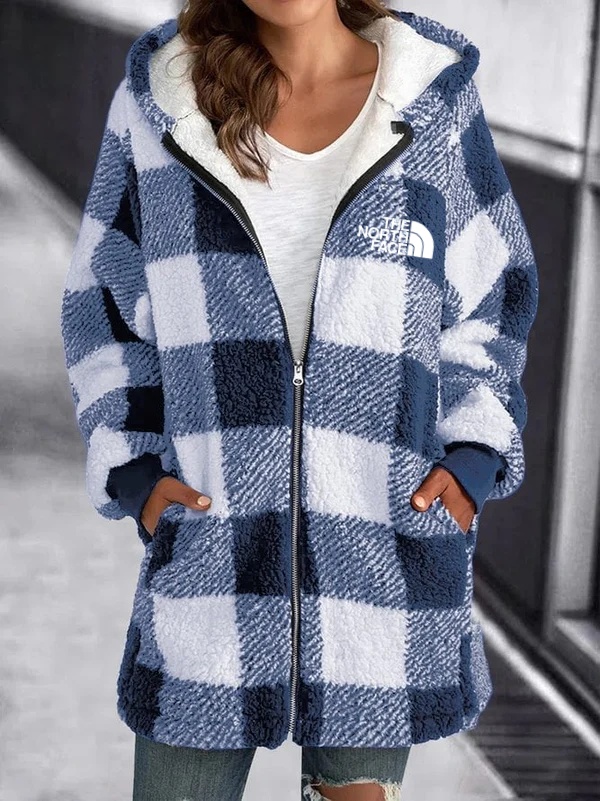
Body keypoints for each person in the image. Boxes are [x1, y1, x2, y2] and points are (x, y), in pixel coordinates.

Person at [59, 0, 539, 799]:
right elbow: (102, 305)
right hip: (210, 566)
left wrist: (472, 459)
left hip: (380, 570)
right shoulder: (162, 103)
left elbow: (490, 301)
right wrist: (135, 475)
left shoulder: (430, 100)